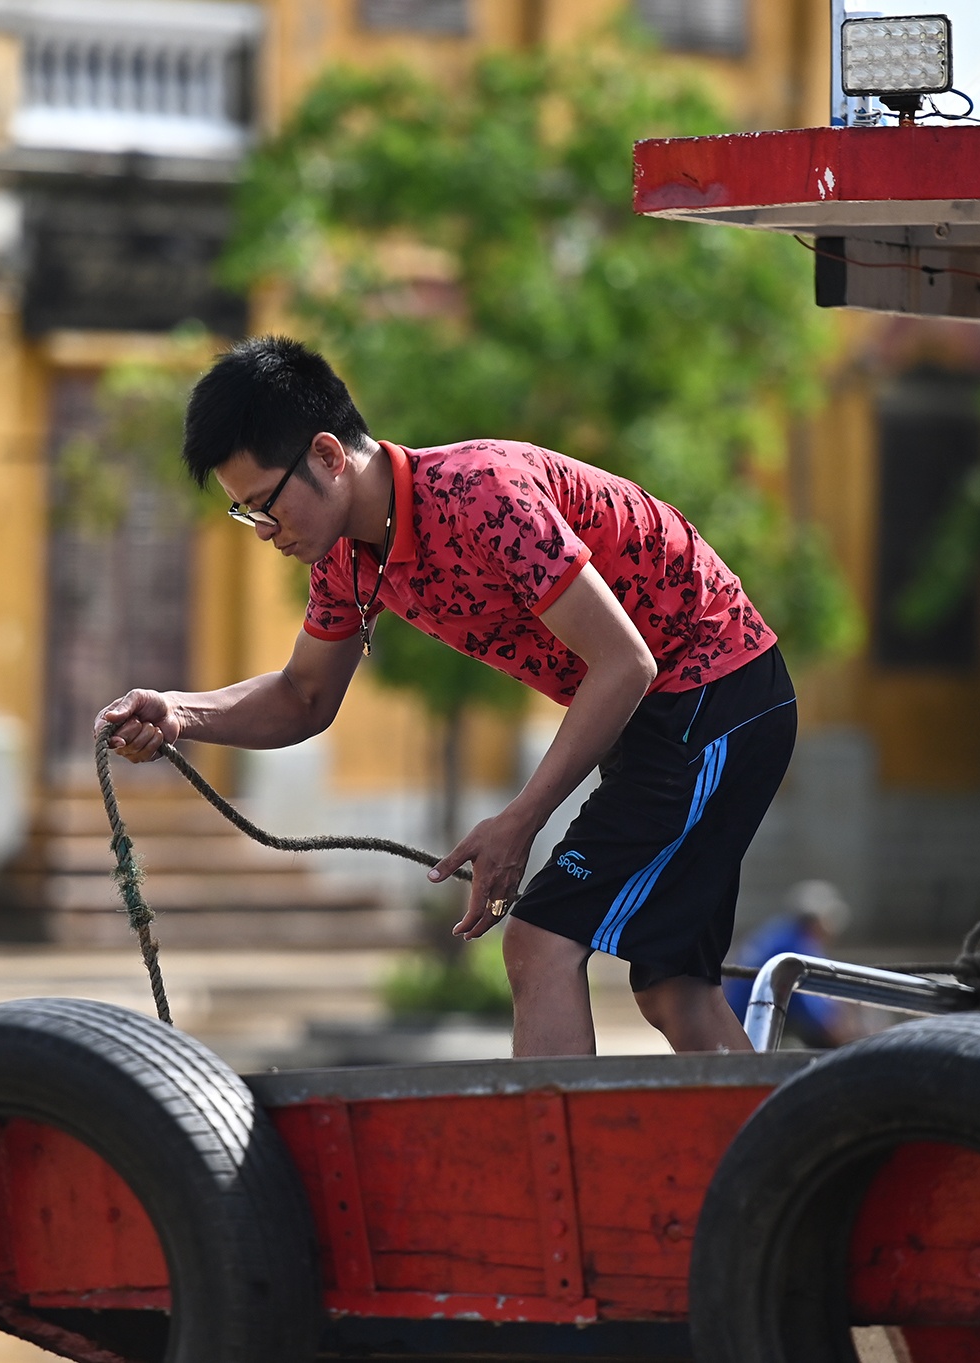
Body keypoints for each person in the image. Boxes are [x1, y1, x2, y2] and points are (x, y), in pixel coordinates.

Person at [98, 338, 796, 1056]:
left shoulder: (481, 495)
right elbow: (303, 696)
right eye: (246, 514)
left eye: (265, 505)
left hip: (715, 690)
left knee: (539, 943)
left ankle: (552, 1139)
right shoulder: (344, 559)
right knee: (674, 990)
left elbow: (625, 663)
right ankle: (778, 1133)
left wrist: (519, 821)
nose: (264, 531)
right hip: (660, 715)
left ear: (329, 456)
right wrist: (180, 712)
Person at [722, 880, 863, 1049]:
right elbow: (815, 1013)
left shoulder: (784, 933)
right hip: (751, 1027)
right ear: (816, 921)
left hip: (744, 1020)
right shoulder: (793, 948)